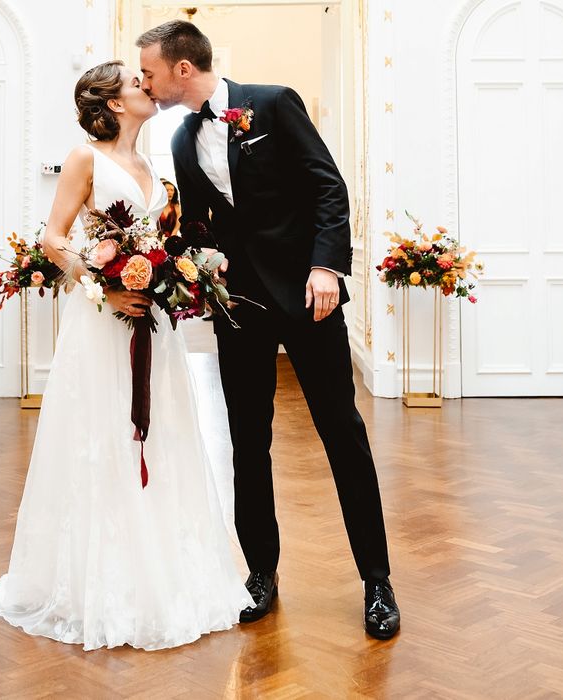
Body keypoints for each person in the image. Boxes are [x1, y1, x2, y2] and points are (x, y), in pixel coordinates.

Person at [137, 21, 401, 640]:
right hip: (240, 308)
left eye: (149, 71)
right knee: (247, 443)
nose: (144, 82)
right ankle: (261, 574)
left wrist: (327, 265)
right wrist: (177, 265)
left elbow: (327, 189)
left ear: (182, 68)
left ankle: (378, 582)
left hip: (310, 298)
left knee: (343, 435)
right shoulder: (180, 137)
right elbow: (199, 226)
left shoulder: (274, 103)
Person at [0, 60, 253, 651]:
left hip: (152, 319)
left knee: (161, 433)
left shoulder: (150, 163)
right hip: (103, 318)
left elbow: (160, 237)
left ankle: (164, 570)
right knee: (103, 432)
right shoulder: (85, 158)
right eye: (136, 82)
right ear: (110, 102)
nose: (146, 87)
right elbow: (54, 237)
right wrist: (100, 281)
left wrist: (179, 271)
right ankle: (99, 581)